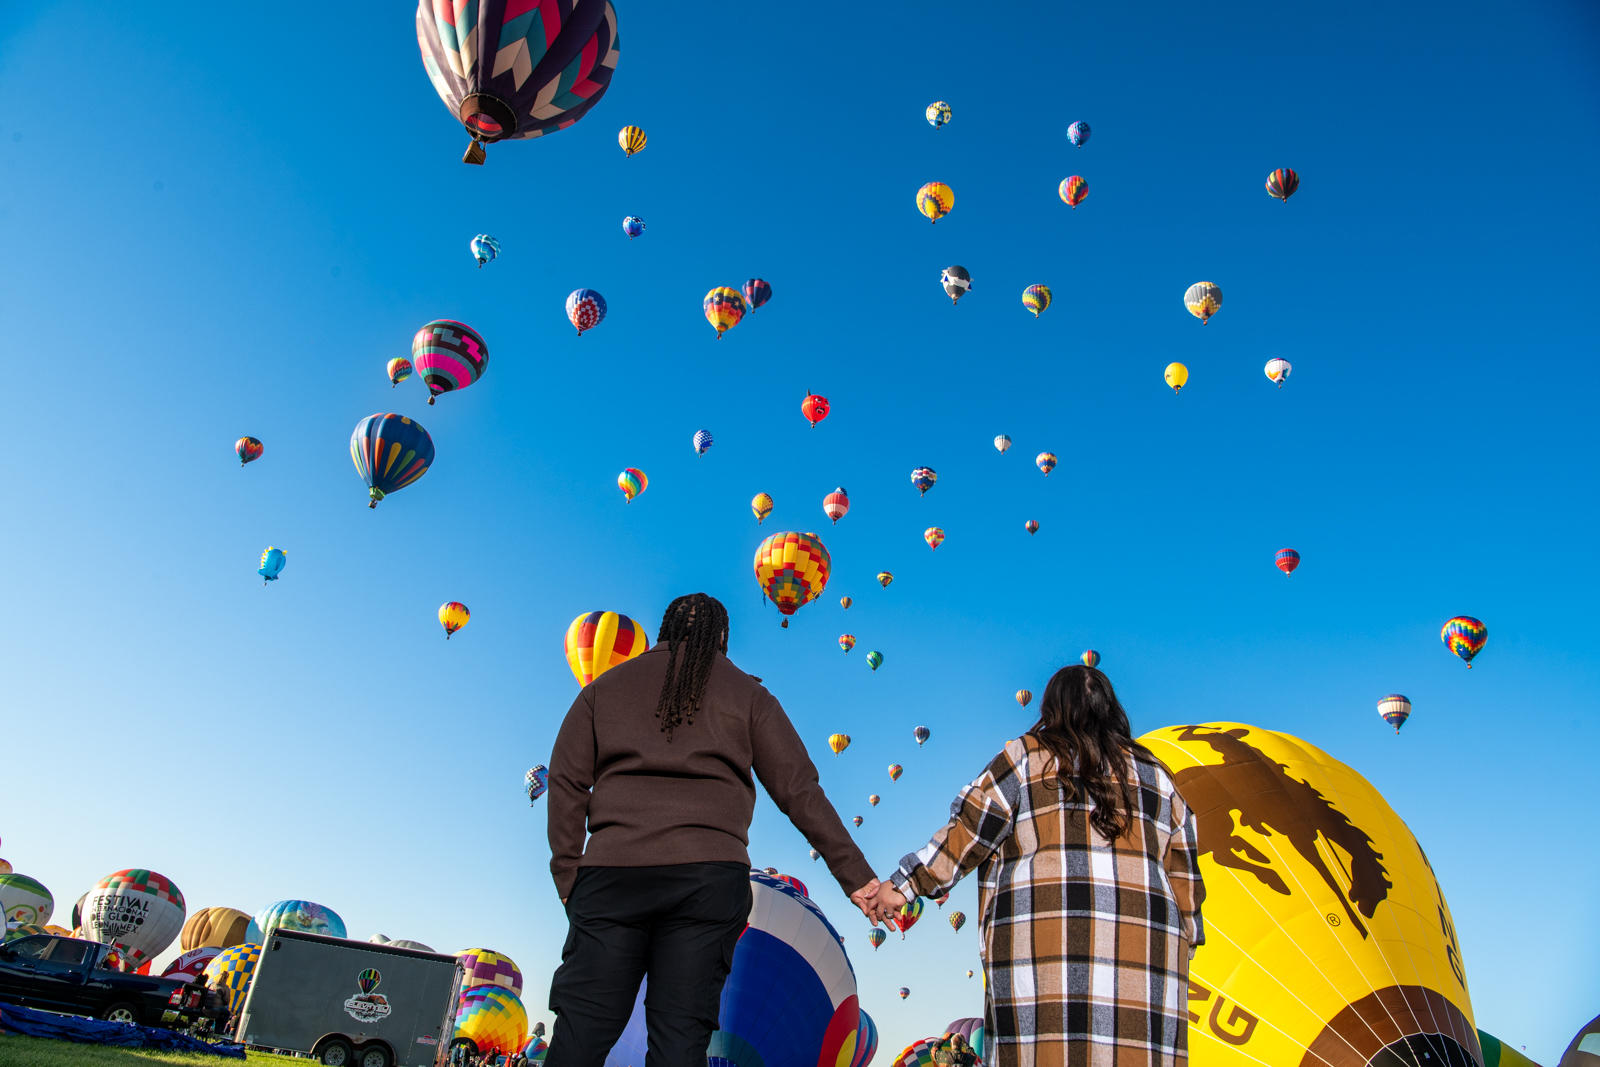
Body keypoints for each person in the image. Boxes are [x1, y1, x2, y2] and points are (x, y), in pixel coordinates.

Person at [546, 593, 879, 1067]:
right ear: (721, 638)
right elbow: (800, 790)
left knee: (581, 1030)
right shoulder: (748, 694)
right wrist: (859, 880)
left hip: (612, 877)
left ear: (663, 631)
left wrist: (567, 875)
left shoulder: (605, 688)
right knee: (681, 1038)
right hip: (706, 883)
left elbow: (565, 779)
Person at [866, 665, 1205, 1067]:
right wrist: (1186, 939)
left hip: (1041, 974)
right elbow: (1185, 878)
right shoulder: (1158, 778)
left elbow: (967, 834)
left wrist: (903, 885)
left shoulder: (1024, 759)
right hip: (1143, 978)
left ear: (1050, 710)